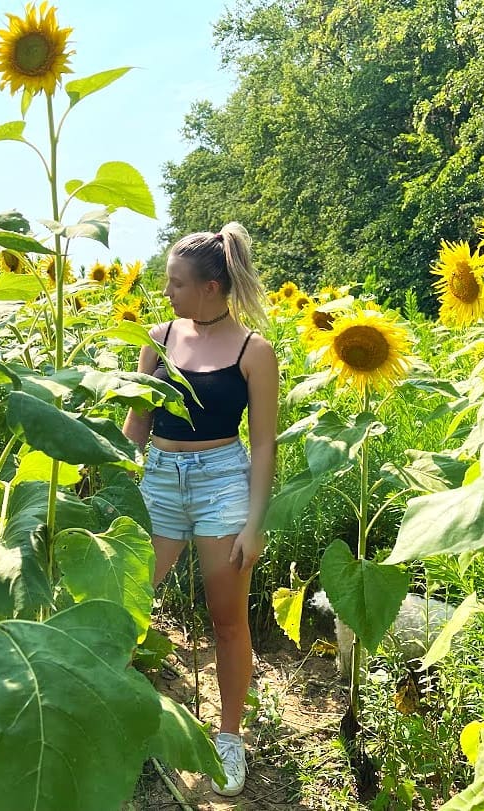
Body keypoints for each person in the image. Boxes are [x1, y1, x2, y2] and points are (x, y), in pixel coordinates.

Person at [123, 222, 278, 797]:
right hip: (159, 480)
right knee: (129, 600)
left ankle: (229, 736)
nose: (168, 293)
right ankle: (120, 715)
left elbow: (263, 443)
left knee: (227, 619)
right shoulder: (158, 337)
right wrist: (110, 471)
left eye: (177, 283)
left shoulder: (252, 351)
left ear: (212, 287)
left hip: (222, 484)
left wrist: (254, 524)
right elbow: (138, 420)